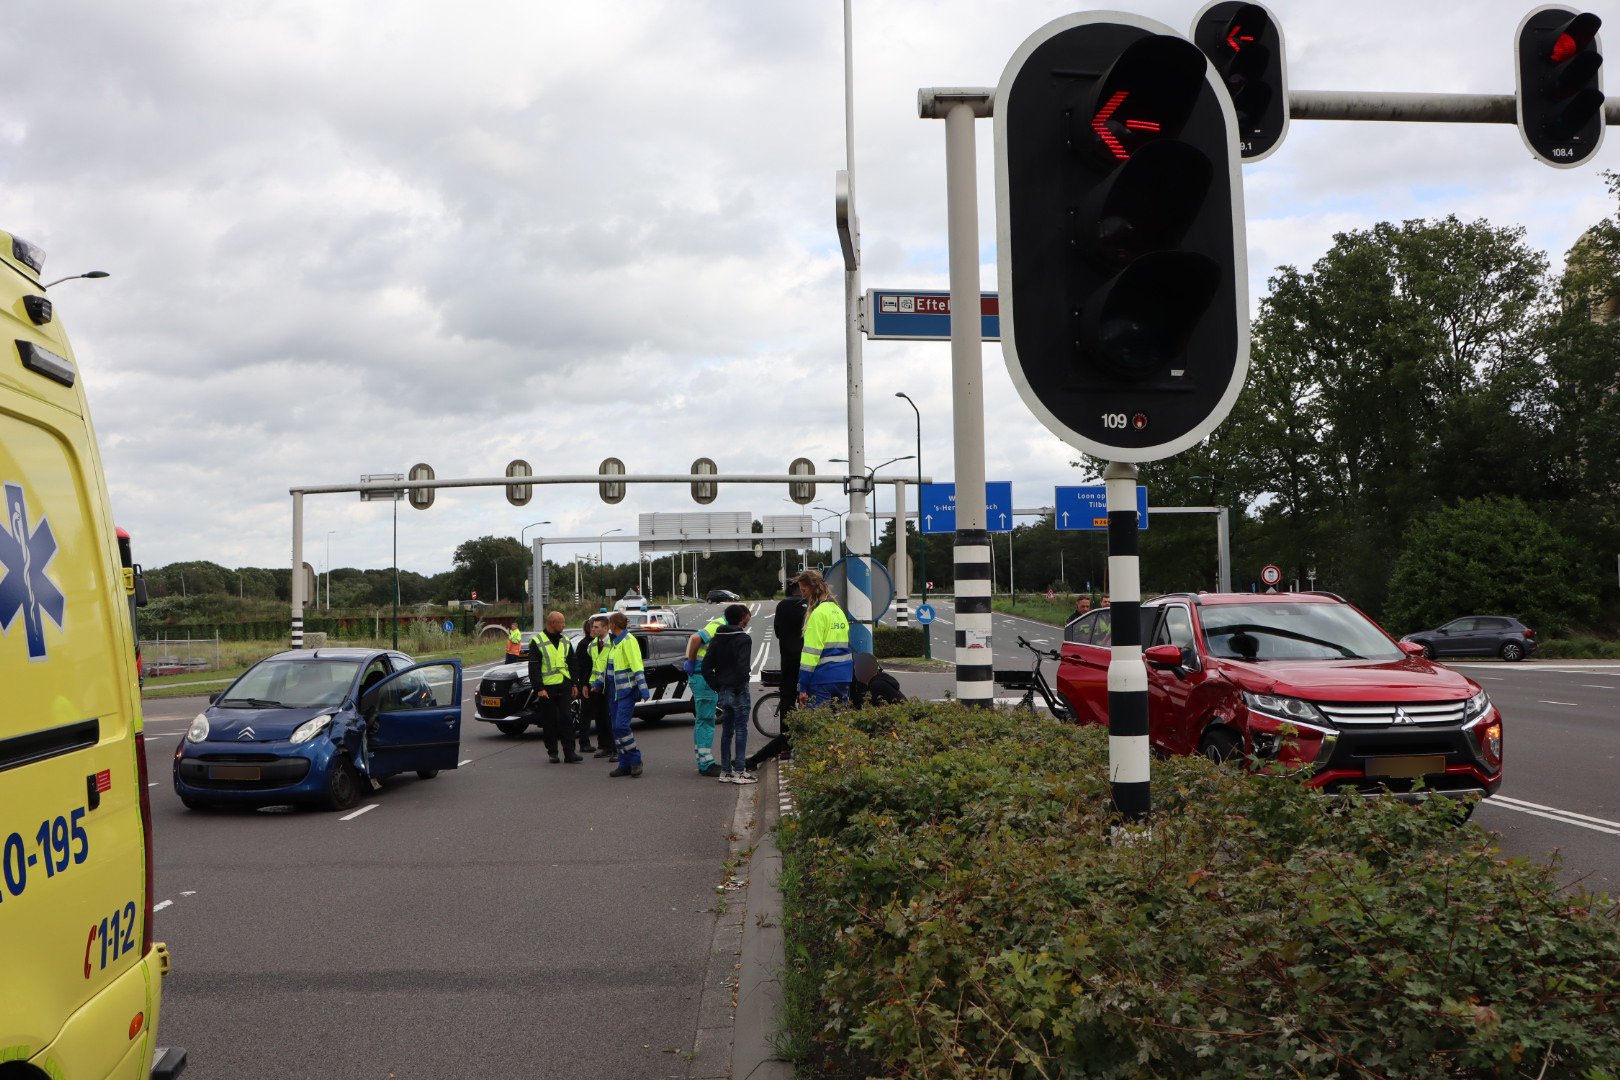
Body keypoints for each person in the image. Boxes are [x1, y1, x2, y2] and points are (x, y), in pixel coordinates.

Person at [700, 603, 755, 784]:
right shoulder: (743, 639)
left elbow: (706, 666)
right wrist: (739, 685)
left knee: (727, 731)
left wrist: (717, 685)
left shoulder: (717, 638)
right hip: (739, 689)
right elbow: (742, 666)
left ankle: (726, 771)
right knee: (741, 730)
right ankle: (740, 771)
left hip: (723, 688)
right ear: (741, 619)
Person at [595, 611, 649, 777]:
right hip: (614, 692)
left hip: (626, 692)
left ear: (613, 626)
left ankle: (635, 760)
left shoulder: (628, 641)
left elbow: (637, 666)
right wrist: (598, 683)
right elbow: (608, 666)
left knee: (621, 727)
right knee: (616, 729)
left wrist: (643, 688)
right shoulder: (615, 642)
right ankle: (624, 763)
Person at [528, 610, 580, 763]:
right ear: (552, 623)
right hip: (547, 688)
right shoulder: (537, 641)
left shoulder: (565, 640)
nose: (564, 625)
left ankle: (570, 753)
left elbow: (573, 662)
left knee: (566, 718)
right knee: (550, 720)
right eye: (561, 622)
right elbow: (534, 667)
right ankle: (552, 752)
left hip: (564, 685)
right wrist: (539, 688)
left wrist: (574, 683)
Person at [796, 569, 852, 708]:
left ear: (813, 589)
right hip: (843, 677)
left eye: (804, 590)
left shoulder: (817, 614)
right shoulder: (838, 611)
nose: (803, 595)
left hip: (821, 680)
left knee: (817, 726)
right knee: (839, 725)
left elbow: (810, 653)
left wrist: (802, 687)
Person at [684, 611, 728, 777]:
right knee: (706, 720)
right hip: (703, 676)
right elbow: (696, 638)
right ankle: (706, 763)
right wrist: (691, 661)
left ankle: (703, 759)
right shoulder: (718, 625)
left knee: (703, 720)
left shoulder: (720, 625)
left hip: (701, 675)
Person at [570, 615, 610, 754]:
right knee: (587, 715)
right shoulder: (586, 645)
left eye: (596, 627)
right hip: (590, 684)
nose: (594, 629)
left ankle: (603, 743)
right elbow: (584, 666)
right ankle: (584, 742)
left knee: (602, 715)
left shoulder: (601, 643)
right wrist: (583, 684)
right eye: (592, 627)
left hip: (603, 685)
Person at [773, 578, 807, 723]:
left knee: (787, 694)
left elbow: (777, 632)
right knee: (809, 694)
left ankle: (786, 734)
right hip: (808, 655)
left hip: (788, 655)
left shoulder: (782, 605)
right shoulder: (811, 604)